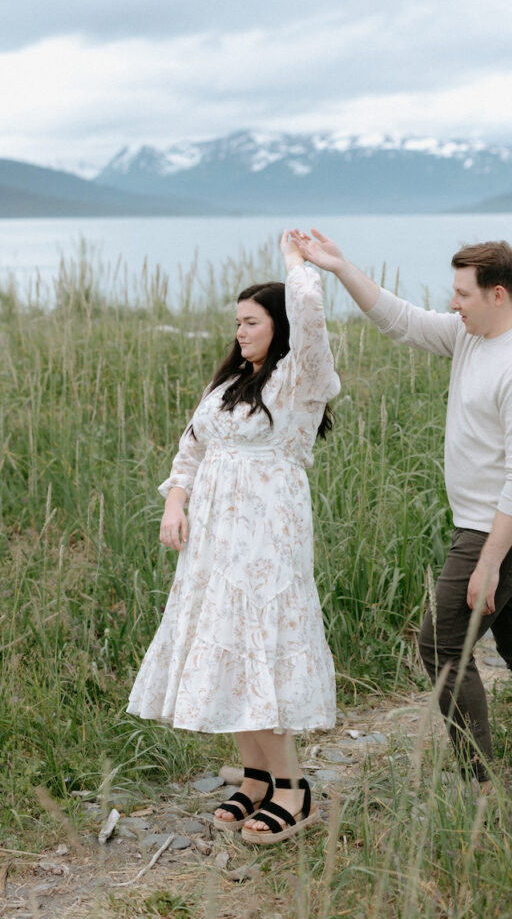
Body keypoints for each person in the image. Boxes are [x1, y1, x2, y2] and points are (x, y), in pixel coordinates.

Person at [291, 229, 512, 800]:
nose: (453, 303)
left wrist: (489, 562)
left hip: (502, 529)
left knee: (441, 646)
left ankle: (482, 786)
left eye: (463, 293)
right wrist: (340, 267)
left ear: (498, 294)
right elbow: (402, 321)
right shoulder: (472, 336)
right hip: (497, 524)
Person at [127, 231, 341, 844]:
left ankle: (294, 790)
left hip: (266, 541)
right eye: (238, 322)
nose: (240, 332)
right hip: (214, 544)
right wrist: (175, 502)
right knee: (226, 643)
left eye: (251, 321)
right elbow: (190, 450)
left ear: (279, 324)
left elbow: (312, 318)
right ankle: (254, 778)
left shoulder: (298, 381)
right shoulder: (227, 386)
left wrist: (296, 265)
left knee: (261, 649)